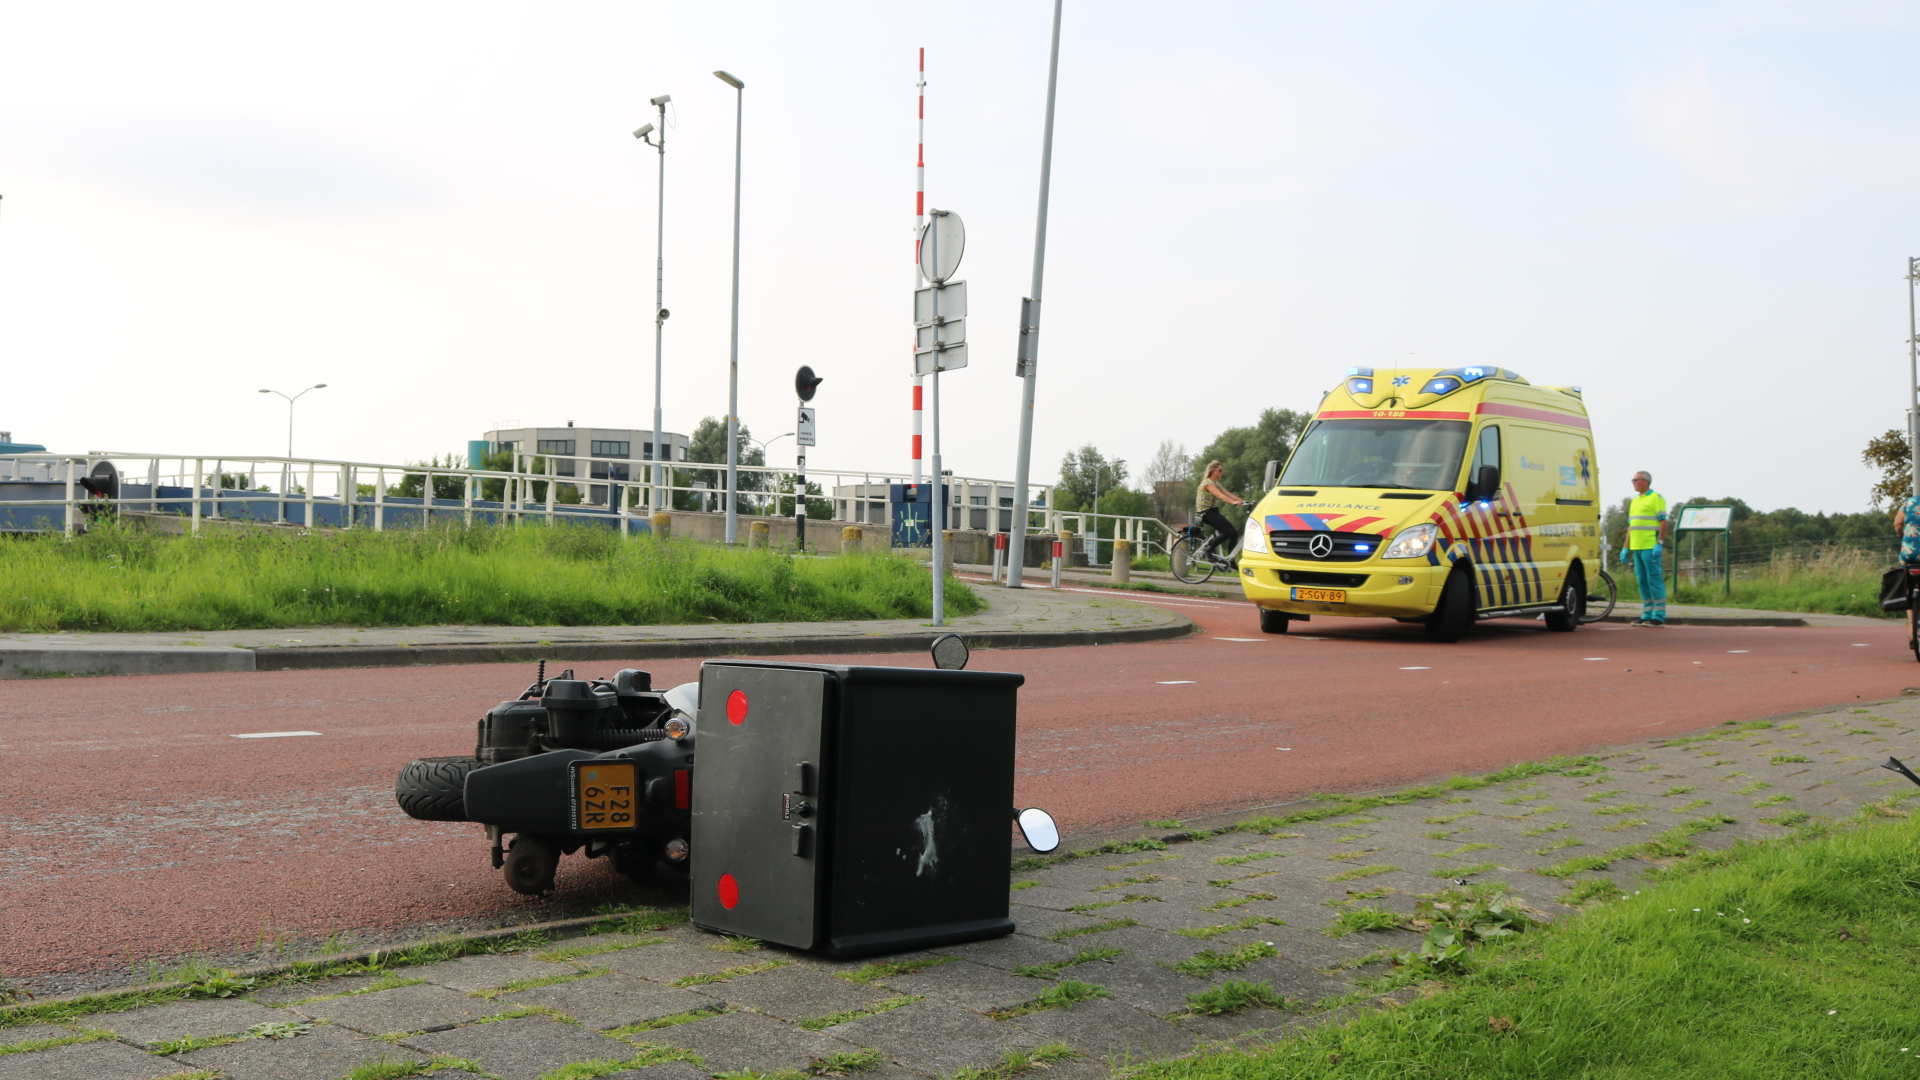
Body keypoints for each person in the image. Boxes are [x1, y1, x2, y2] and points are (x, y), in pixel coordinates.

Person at [1626, 470, 1669, 626]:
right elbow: (1631, 526)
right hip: (1637, 546)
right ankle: (1647, 613)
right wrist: (1625, 547)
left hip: (1650, 546)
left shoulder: (1656, 498)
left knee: (1654, 579)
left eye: (1635, 480)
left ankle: (1658, 615)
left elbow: (1663, 522)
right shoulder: (1635, 501)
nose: (1633, 482)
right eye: (1633, 480)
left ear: (1645, 481)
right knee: (1642, 581)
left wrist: (1660, 543)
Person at [1195, 460, 1249, 561]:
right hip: (1206, 512)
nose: (1222, 472)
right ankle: (1208, 551)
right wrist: (1233, 503)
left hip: (1214, 512)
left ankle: (1230, 560)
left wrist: (1245, 502)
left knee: (1234, 534)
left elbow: (1229, 494)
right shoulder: (1208, 483)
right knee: (1227, 532)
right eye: (1220, 470)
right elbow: (1220, 495)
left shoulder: (1216, 483)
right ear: (1213, 471)